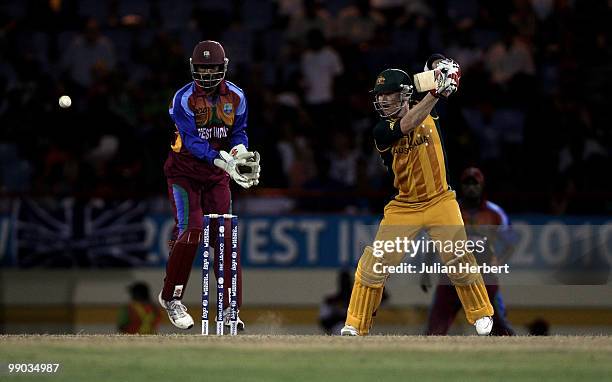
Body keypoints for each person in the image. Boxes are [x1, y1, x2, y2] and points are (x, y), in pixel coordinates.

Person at [341, 54, 495, 336]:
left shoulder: (427, 105)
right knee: (373, 264)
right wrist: (436, 92)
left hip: (441, 200)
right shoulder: (380, 130)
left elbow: (434, 65)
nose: (383, 101)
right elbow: (408, 123)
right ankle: (355, 325)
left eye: (389, 95)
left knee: (457, 256)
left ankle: (482, 315)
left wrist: (443, 69)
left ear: (404, 95)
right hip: (404, 207)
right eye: (380, 96)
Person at [158, 40, 260, 331]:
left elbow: (239, 133)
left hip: (216, 175)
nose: (206, 74)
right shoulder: (183, 98)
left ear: (223, 68)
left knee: (226, 239)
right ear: (193, 68)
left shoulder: (237, 96)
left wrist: (239, 154)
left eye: (212, 68)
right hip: (184, 173)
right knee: (191, 232)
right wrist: (222, 160)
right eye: (201, 69)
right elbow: (191, 141)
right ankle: (171, 298)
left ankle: (230, 308)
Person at [423, 167, 515, 335]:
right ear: (461, 186)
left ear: (482, 185)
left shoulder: (495, 213)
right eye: (467, 183)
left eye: (475, 183)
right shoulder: (448, 211)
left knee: (501, 329)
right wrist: (426, 271)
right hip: (451, 278)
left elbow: (510, 244)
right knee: (435, 329)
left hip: (484, 277)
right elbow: (433, 242)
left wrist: (497, 264)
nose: (471, 187)